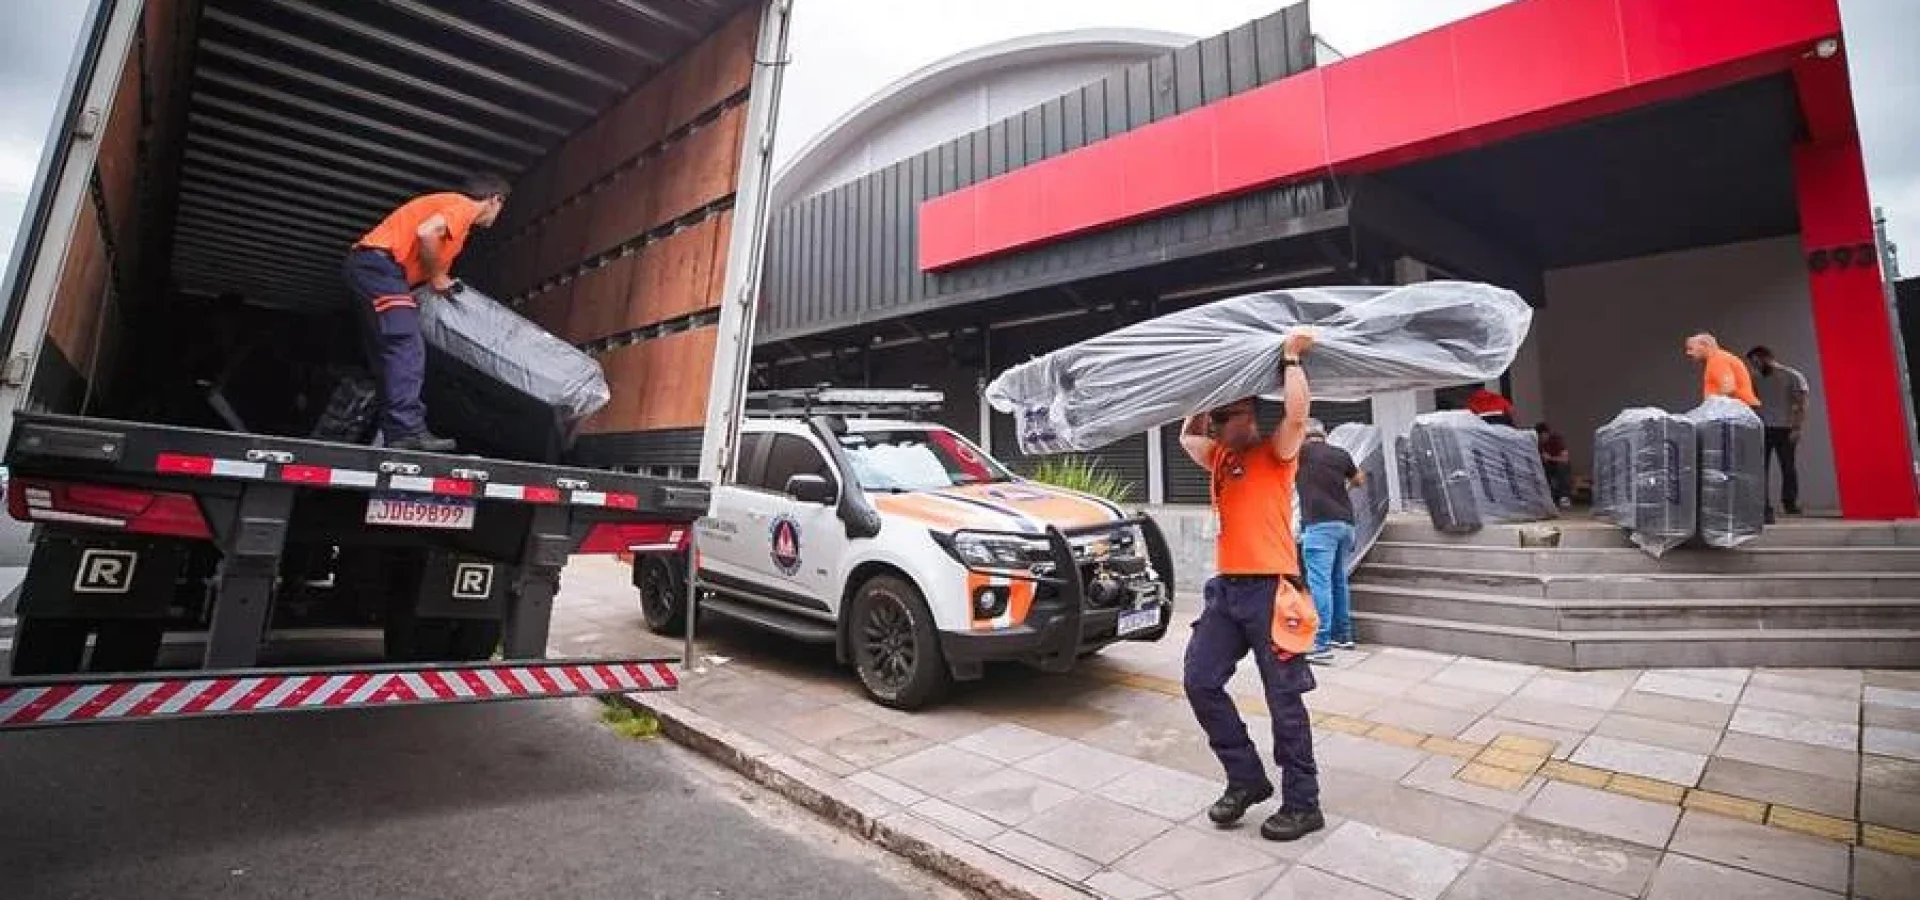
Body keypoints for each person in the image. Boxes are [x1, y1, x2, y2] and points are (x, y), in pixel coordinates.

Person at [1177, 328, 1323, 843]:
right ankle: (1246, 778)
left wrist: (1289, 359)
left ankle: (1304, 803)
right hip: (1226, 592)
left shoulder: (1276, 452)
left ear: (1250, 415)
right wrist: (1202, 392)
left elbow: (1298, 415)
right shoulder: (1219, 456)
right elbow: (1185, 437)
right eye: (1215, 419)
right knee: (1199, 680)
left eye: (1226, 416)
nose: (1216, 427)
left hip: (1271, 591)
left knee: (1284, 699)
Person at [343, 174, 511, 452]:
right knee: (406, 347)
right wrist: (437, 277)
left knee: (389, 354)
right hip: (380, 269)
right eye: (501, 208)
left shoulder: (456, 226)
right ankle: (407, 432)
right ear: (495, 200)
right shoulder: (464, 206)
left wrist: (440, 280)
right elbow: (426, 233)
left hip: (375, 270)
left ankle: (396, 432)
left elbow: (431, 264)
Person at [1297, 419, 1363, 663]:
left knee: (1320, 584)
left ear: (1304, 435)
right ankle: (1343, 635)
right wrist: (1339, 486)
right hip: (1346, 524)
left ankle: (1320, 643)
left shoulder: (1300, 453)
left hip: (1320, 525)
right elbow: (1359, 480)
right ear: (1324, 434)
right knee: (1338, 580)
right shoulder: (1340, 454)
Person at [1747, 346, 1810, 517]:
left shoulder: (1792, 376)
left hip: (1785, 428)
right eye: (1753, 364)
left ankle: (1790, 502)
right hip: (1763, 428)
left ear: (1768, 358)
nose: (1756, 366)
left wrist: (1797, 427)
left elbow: (1802, 404)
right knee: (1761, 468)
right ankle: (1763, 504)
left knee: (1788, 467)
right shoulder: (1755, 379)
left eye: (1757, 362)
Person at [1684, 332, 1760, 409]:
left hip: (1737, 411)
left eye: (1691, 348)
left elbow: (1728, 388)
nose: (1688, 353)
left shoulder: (1717, 360)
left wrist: (1710, 410)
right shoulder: (1717, 359)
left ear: (1704, 345)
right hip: (1737, 409)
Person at [1536, 422, 1572, 508]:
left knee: (1563, 467)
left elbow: (1565, 459)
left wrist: (1550, 458)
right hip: (1546, 466)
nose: (1540, 439)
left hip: (1558, 464)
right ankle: (1546, 497)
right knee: (1541, 469)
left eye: (1541, 437)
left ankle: (1564, 497)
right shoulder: (1538, 443)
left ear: (1546, 434)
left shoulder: (1556, 440)